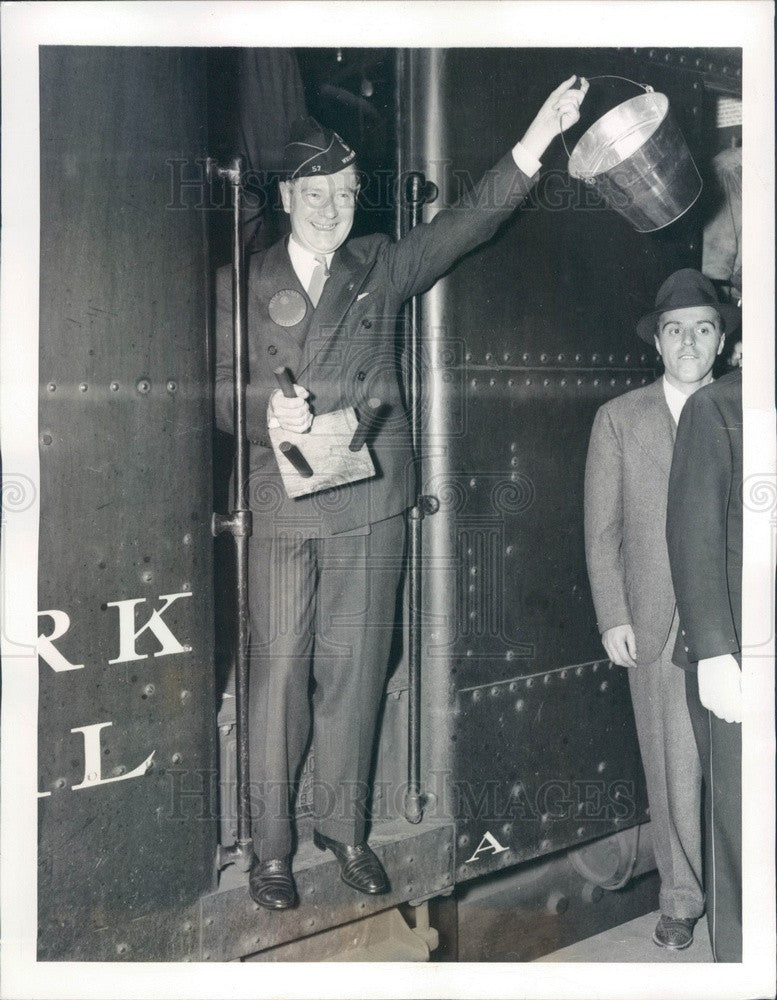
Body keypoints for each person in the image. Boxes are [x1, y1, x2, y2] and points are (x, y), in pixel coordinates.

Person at [216, 76, 589, 910]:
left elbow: (468, 222)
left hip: (365, 500)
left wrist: (536, 136)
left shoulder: (380, 264)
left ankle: (341, 830)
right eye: (315, 194)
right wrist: (259, 410)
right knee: (278, 675)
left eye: (344, 194)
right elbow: (209, 395)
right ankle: (270, 848)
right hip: (279, 507)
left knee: (352, 671)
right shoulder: (238, 277)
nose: (331, 208)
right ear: (286, 195)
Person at [584, 268, 739, 950]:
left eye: (702, 329)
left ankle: (744, 893)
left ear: (721, 342)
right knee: (672, 766)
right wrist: (614, 614)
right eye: (674, 331)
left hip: (734, 620)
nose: (687, 342)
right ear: (657, 343)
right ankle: (680, 899)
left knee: (736, 764)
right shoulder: (618, 419)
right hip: (653, 618)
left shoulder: (742, 411)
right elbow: (601, 531)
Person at [666, 367, 743, 961]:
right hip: (740, 657)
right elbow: (693, 532)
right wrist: (716, 653)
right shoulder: (717, 407)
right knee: (740, 833)